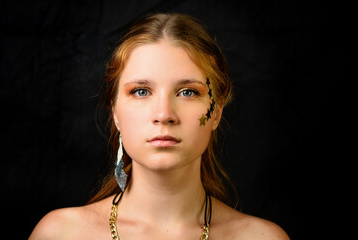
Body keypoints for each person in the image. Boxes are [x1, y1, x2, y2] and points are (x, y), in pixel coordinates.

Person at [29, 13, 289, 240]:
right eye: (141, 91)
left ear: (216, 112)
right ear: (115, 112)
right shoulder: (61, 234)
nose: (164, 115)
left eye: (187, 92)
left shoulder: (262, 238)